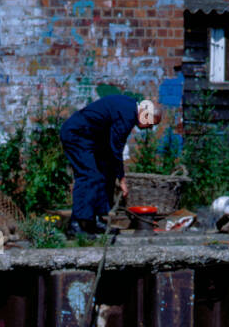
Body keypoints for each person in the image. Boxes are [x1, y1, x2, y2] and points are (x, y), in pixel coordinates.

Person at [59, 95, 163, 237]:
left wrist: (116, 174)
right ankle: (76, 224)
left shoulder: (129, 108)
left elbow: (111, 148)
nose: (149, 128)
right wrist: (122, 179)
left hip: (90, 138)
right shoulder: (128, 115)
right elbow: (116, 149)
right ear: (146, 114)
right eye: (151, 124)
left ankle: (95, 219)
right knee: (89, 175)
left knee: (105, 173)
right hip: (77, 135)